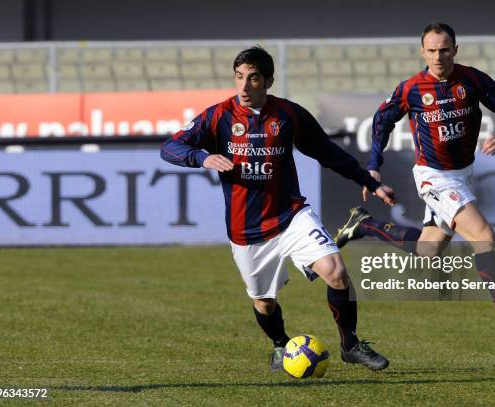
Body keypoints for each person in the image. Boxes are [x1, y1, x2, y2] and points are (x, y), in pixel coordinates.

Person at [161, 46, 394, 371]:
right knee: (264, 302)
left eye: (252, 78)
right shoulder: (219, 116)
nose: (244, 86)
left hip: (290, 215)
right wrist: (203, 157)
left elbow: (327, 152)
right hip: (247, 230)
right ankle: (280, 343)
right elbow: (171, 147)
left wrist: (369, 182)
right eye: (239, 77)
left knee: (336, 272)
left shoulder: (288, 115)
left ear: (268, 80)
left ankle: (351, 344)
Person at [334, 23, 495, 343]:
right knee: (484, 236)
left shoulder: (471, 79)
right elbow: (382, 121)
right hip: (432, 176)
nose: (438, 56)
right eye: (432, 50)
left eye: (444, 49)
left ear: (455, 50)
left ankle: (363, 225)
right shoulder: (412, 88)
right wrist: (373, 166)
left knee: (428, 249)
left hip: (462, 174)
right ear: (423, 52)